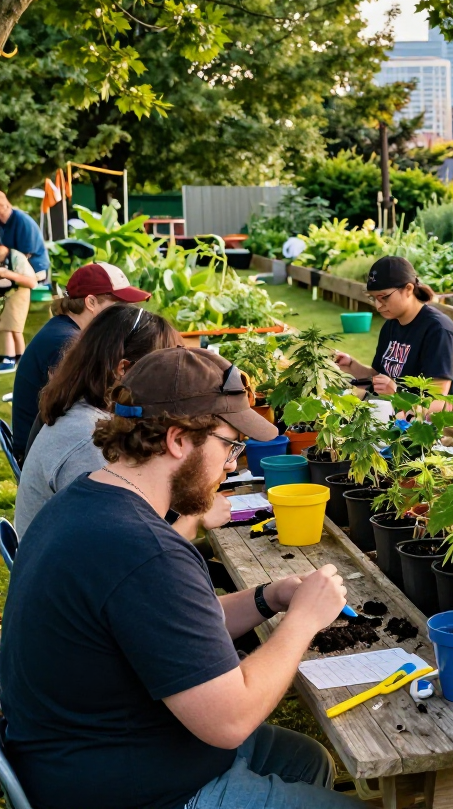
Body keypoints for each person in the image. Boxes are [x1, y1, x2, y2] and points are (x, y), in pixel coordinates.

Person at [0, 346, 365, 809]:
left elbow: (169, 629)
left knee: (305, 759)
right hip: (130, 789)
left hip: (92, 754)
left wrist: (268, 598)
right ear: (177, 439)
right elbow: (231, 719)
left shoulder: (89, 504)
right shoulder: (144, 552)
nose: (232, 463)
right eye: (229, 445)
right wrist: (304, 621)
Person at [15, 304, 181, 533]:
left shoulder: (83, 408)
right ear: (124, 368)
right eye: (162, 371)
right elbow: (129, 545)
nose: (168, 384)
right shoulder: (88, 439)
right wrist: (193, 523)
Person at [10, 261, 150, 461]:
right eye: (119, 306)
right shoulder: (67, 343)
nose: (126, 314)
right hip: (39, 456)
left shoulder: (64, 330)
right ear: (91, 302)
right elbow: (92, 403)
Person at [335, 256, 453, 401]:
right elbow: (378, 378)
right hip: (392, 414)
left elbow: (438, 400)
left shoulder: (438, 331)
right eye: (373, 298)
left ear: (408, 289)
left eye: (383, 297)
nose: (378, 306)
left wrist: (395, 392)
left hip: (430, 422)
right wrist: (351, 365)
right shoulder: (391, 325)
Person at [0, 246, 39, 372]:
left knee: (8, 328)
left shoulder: (16, 257)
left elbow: (32, 282)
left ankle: (8, 359)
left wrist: (7, 274)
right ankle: (21, 358)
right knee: (14, 329)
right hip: (8, 295)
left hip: (18, 295)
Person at [0, 190, 48, 281]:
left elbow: (26, 253)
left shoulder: (22, 221)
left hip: (34, 267)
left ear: (4, 206)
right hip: (15, 267)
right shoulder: (2, 225)